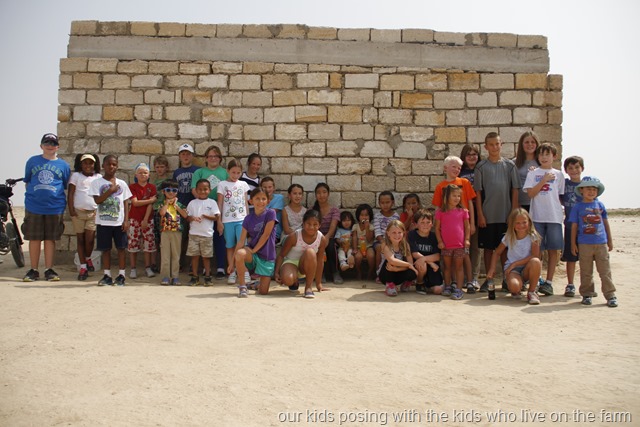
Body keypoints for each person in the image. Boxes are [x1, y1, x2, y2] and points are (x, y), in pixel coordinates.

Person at [474, 132, 520, 292]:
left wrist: (513, 213)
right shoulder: (481, 167)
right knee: (488, 248)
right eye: (491, 145)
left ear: (501, 144)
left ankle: (507, 279)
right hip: (488, 215)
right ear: (486, 147)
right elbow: (478, 193)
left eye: (497, 144)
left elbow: (515, 190)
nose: (494, 147)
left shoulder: (510, 166)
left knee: (505, 248)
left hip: (506, 215)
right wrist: (480, 214)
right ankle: (489, 279)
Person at [22, 133, 71, 282]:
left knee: (50, 239)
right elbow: (27, 180)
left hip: (55, 207)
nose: (50, 146)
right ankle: (34, 269)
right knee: (34, 239)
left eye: (53, 143)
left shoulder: (63, 165)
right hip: (34, 206)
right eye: (47, 143)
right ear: (41, 146)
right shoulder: (32, 161)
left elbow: (64, 184)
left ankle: (49, 269)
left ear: (58, 146)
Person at [523, 143, 565, 296]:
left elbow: (560, 196)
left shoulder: (559, 174)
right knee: (537, 250)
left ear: (554, 156)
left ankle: (549, 282)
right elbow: (531, 193)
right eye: (541, 154)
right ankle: (537, 279)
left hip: (554, 217)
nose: (544, 157)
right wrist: (544, 180)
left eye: (547, 154)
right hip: (537, 217)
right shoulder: (533, 173)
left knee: (553, 250)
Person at [569, 176, 617, 307]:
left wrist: (610, 240)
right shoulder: (577, 207)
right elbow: (574, 226)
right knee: (586, 271)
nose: (591, 192)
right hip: (584, 244)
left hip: (601, 243)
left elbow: (605, 223)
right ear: (582, 190)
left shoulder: (600, 205)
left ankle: (610, 295)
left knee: (605, 271)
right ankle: (587, 294)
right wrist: (573, 244)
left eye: (594, 189)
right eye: (588, 189)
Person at [432, 155, 477, 293]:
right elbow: (438, 207)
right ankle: (452, 283)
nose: (457, 170)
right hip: (447, 228)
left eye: (459, 168)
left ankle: (470, 281)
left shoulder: (464, 182)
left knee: (465, 256)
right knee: (449, 260)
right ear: (445, 168)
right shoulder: (440, 186)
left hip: (463, 226)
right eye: (454, 167)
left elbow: (470, 202)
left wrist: (472, 223)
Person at [89, 155, 132, 286]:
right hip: (103, 222)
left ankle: (121, 275)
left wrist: (126, 220)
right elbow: (97, 200)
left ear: (117, 166)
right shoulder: (96, 183)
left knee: (121, 248)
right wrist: (110, 191)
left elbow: (126, 203)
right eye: (108, 164)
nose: (111, 167)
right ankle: (107, 275)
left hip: (119, 222)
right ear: (103, 166)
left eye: (114, 164)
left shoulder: (122, 183)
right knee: (105, 249)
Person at [486, 208, 542, 305]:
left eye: (524, 222)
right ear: (512, 224)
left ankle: (531, 292)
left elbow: (535, 255)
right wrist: (492, 268)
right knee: (515, 287)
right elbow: (497, 253)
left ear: (529, 222)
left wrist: (515, 264)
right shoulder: (509, 236)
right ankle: (516, 285)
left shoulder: (533, 236)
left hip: (527, 267)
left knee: (536, 261)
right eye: (518, 223)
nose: (521, 226)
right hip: (513, 269)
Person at [229, 187, 278, 297]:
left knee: (263, 292)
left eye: (263, 199)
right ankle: (242, 286)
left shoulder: (271, 213)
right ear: (251, 201)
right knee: (240, 253)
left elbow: (266, 235)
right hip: (252, 254)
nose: (261, 201)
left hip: (266, 255)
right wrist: (232, 263)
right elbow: (241, 241)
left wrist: (253, 250)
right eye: (257, 199)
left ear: (268, 201)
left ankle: (254, 284)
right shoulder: (248, 218)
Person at [191, 145, 228, 280]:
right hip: (202, 210)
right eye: (210, 156)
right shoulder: (199, 172)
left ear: (220, 158)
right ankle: (202, 268)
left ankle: (220, 267)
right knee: (201, 239)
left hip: (220, 208)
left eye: (216, 156)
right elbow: (194, 189)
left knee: (219, 237)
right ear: (206, 158)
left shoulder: (225, 173)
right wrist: (204, 202)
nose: (213, 158)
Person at [276, 209, 328, 298]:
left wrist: (318, 283)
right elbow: (281, 255)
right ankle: (294, 281)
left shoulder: (321, 239)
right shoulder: (294, 236)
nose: (311, 227)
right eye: (308, 224)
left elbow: (320, 261)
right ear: (303, 223)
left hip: (306, 266)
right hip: (291, 262)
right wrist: (276, 272)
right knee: (288, 279)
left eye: (315, 224)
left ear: (319, 225)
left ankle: (308, 288)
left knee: (310, 252)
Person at [67, 153, 101, 281]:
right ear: (81, 164)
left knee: (90, 240)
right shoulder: (76, 176)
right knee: (80, 240)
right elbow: (71, 193)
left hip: (93, 213)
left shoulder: (98, 177)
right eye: (85, 163)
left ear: (94, 165)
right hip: (78, 213)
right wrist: (71, 210)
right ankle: (83, 267)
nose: (88, 165)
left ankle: (88, 258)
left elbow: (101, 194)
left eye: (90, 163)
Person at [217, 158, 250, 285]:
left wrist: (248, 219)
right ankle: (232, 272)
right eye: (233, 172)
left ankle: (244, 270)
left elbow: (245, 203)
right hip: (227, 220)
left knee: (241, 246)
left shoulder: (243, 184)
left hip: (242, 220)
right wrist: (219, 221)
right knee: (230, 246)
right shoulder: (222, 184)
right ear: (228, 171)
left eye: (238, 173)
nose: (235, 175)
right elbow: (220, 204)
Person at [435, 185, 470, 300]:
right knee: (447, 267)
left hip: (459, 245)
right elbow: (437, 228)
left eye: (458, 196)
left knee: (459, 267)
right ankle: (448, 286)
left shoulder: (463, 211)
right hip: (446, 246)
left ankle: (459, 289)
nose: (457, 198)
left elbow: (467, 227)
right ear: (446, 196)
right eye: (454, 196)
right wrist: (440, 241)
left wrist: (467, 239)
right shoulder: (440, 212)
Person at [186, 179, 220, 286]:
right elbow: (187, 217)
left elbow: (216, 217)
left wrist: (205, 216)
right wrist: (194, 218)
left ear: (210, 190)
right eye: (200, 189)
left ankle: (207, 277)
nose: (202, 191)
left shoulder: (212, 202)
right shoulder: (192, 203)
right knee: (194, 256)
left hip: (207, 234)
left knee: (206, 257)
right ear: (196, 190)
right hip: (194, 234)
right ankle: (195, 277)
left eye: (205, 189)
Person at [128, 163, 158, 279]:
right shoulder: (132, 187)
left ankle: (148, 267)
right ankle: (133, 268)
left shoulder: (152, 187)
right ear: (136, 175)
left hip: (148, 219)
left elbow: (150, 205)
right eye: (140, 173)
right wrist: (150, 200)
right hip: (134, 219)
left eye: (145, 173)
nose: (143, 175)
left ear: (149, 175)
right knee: (133, 244)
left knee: (148, 245)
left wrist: (145, 219)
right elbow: (135, 203)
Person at [173, 143, 199, 272]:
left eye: (188, 154)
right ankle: (179, 262)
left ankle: (192, 264)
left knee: (194, 236)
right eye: (183, 154)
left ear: (192, 156)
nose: (185, 156)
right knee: (181, 236)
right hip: (181, 207)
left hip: (194, 206)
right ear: (179, 156)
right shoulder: (177, 172)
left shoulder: (197, 171)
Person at [560, 156, 584, 297]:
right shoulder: (565, 183)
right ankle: (570, 284)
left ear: (582, 168)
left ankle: (586, 284)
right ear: (566, 170)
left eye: (576, 167)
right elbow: (559, 196)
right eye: (570, 168)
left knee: (585, 258)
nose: (574, 170)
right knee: (571, 257)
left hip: (585, 229)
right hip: (569, 226)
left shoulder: (587, 185)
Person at [459, 144, 482, 289]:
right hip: (462, 213)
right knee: (461, 245)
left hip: (479, 211)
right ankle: (461, 276)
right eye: (469, 154)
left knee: (475, 246)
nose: (472, 157)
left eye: (474, 154)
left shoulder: (482, 170)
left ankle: (474, 277)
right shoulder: (460, 172)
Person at [158, 180, 188, 286]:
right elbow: (162, 213)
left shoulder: (180, 204)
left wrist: (176, 206)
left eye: (174, 190)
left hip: (177, 231)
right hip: (165, 231)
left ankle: (175, 276)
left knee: (176, 254)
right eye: (168, 190)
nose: (171, 192)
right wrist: (167, 203)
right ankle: (165, 276)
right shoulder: (161, 203)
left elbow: (185, 215)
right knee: (165, 255)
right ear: (163, 192)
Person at [378, 220, 418, 297]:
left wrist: (398, 269)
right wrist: (409, 265)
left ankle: (406, 284)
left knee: (413, 271)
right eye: (394, 232)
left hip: (398, 271)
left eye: (399, 232)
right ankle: (390, 285)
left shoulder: (405, 245)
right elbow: (392, 260)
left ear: (403, 233)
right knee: (390, 262)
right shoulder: (385, 244)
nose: (397, 235)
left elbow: (410, 262)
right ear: (388, 233)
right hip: (386, 274)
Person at [408, 209, 443, 295]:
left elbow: (437, 256)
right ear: (416, 224)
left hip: (432, 267)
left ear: (432, 224)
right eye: (422, 222)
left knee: (438, 290)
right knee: (422, 264)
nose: (425, 225)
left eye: (428, 222)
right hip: (419, 264)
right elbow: (414, 254)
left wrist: (425, 260)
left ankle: (428, 285)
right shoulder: (412, 234)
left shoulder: (434, 236)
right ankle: (419, 283)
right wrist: (430, 262)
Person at [312, 183, 341, 283]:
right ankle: (320, 273)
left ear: (328, 194)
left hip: (330, 237)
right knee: (316, 246)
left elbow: (333, 226)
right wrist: (319, 238)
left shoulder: (334, 210)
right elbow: (311, 226)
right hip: (315, 236)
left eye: (324, 192)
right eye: (318, 193)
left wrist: (326, 237)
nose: (321, 195)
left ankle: (335, 272)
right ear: (316, 195)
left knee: (331, 246)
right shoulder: (312, 210)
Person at [373, 191, 400, 277]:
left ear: (392, 202)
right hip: (380, 241)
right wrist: (383, 242)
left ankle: (397, 272)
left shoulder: (396, 216)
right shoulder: (377, 216)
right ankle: (378, 273)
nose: (385, 205)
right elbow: (377, 232)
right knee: (379, 248)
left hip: (393, 241)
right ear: (379, 203)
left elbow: (397, 230)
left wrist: (392, 242)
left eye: (387, 202)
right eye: (382, 203)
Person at [151, 155, 171, 272]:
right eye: (157, 167)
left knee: (165, 239)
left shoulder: (168, 182)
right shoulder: (153, 183)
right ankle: (154, 264)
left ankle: (165, 264)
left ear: (166, 168)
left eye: (162, 167)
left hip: (166, 212)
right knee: (155, 239)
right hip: (154, 211)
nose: (159, 169)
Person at [514, 131, 540, 211]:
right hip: (520, 204)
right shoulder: (514, 163)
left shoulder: (541, 162)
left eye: (533, 142)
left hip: (538, 203)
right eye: (526, 142)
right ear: (522, 144)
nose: (530, 144)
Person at [352, 204, 375, 281]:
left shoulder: (371, 226)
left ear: (370, 216)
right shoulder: (355, 226)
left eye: (366, 215)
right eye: (362, 215)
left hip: (368, 246)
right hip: (359, 247)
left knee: (371, 256)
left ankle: (370, 272)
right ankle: (358, 271)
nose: (364, 217)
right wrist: (355, 248)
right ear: (358, 216)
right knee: (358, 257)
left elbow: (369, 239)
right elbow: (354, 237)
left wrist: (367, 228)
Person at [261, 176, 285, 241]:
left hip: (274, 233)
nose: (267, 189)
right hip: (260, 232)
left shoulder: (279, 198)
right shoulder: (260, 200)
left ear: (274, 188)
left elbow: (270, 213)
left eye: (270, 187)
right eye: (264, 187)